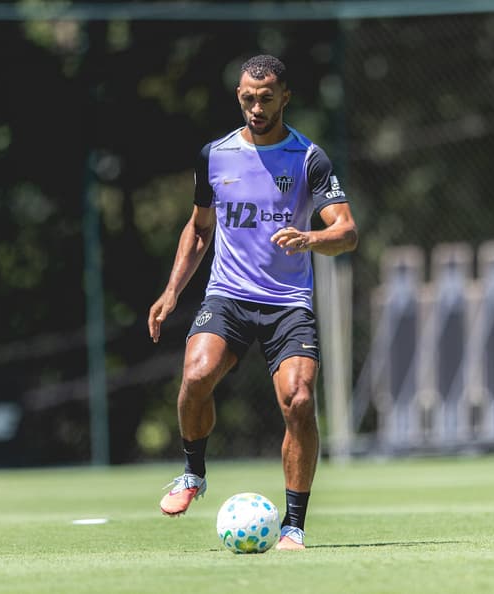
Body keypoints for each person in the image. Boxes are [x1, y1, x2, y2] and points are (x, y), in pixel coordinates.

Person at [147, 54, 358, 551]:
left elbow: (346, 233)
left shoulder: (309, 158)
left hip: (288, 303)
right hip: (229, 295)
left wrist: (310, 240)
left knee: (300, 401)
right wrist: (172, 290)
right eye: (247, 98)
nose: (256, 107)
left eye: (266, 98)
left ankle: (294, 525)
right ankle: (193, 472)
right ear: (238, 96)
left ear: (285, 97)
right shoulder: (214, 155)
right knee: (196, 376)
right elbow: (200, 230)